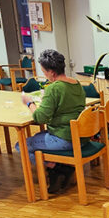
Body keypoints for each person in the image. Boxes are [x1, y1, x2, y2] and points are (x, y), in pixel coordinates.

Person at [18, 49, 86, 194]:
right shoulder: (76, 83)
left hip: (64, 138)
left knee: (21, 145)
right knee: (37, 138)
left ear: (52, 72)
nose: (45, 75)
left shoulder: (54, 88)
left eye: (44, 72)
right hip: (81, 136)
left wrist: (30, 103)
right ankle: (60, 168)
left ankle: (57, 169)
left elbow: (40, 117)